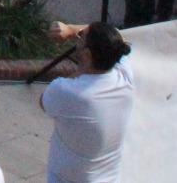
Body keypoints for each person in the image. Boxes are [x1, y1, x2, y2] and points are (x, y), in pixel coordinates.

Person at [40, 22, 135, 183]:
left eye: (81, 36)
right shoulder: (126, 78)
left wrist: (69, 30)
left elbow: (43, 102)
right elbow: (117, 34)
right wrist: (72, 30)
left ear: (87, 55)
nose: (78, 36)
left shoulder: (67, 91)